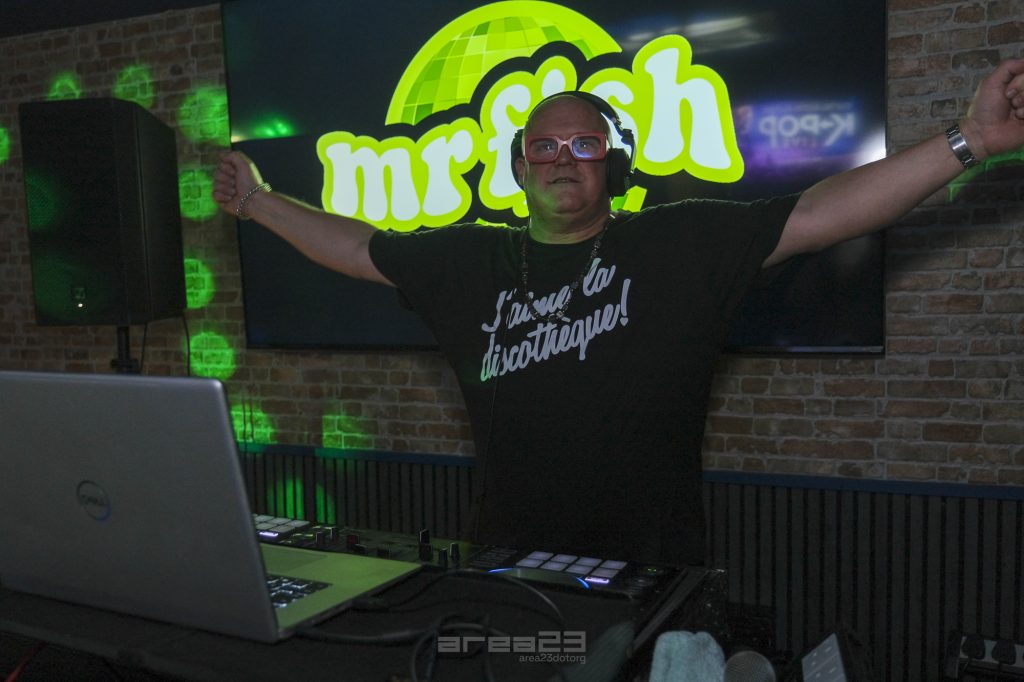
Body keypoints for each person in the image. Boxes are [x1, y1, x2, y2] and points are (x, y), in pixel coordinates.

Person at [214, 59, 1024, 566]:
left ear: (612, 162)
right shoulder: (467, 261)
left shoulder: (676, 243)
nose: (563, 159)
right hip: (506, 567)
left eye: (584, 145)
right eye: (544, 146)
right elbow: (358, 247)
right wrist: (257, 201)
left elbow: (820, 213)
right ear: (518, 168)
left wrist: (969, 141)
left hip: (652, 573)